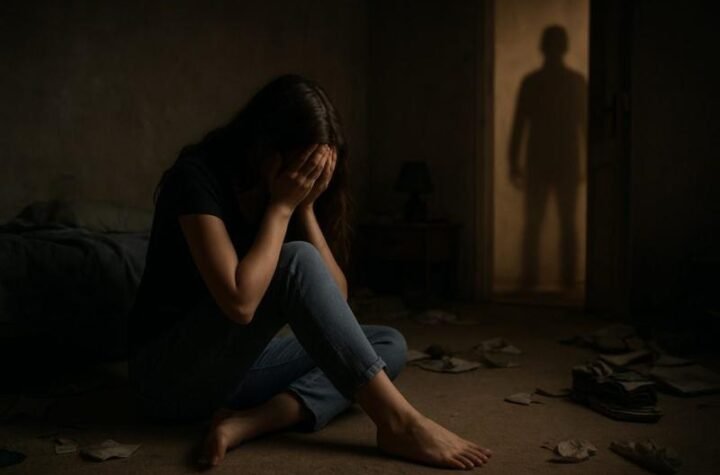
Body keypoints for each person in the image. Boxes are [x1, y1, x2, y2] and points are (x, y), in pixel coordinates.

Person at [129, 74, 491, 470]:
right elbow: (240, 303)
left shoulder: (283, 196)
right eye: (304, 169)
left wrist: (304, 208)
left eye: (317, 174)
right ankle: (398, 423)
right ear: (266, 150)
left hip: (238, 368)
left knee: (386, 345)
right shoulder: (196, 178)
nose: (308, 180)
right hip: (169, 377)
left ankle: (247, 423)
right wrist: (281, 208)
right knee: (296, 259)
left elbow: (336, 302)